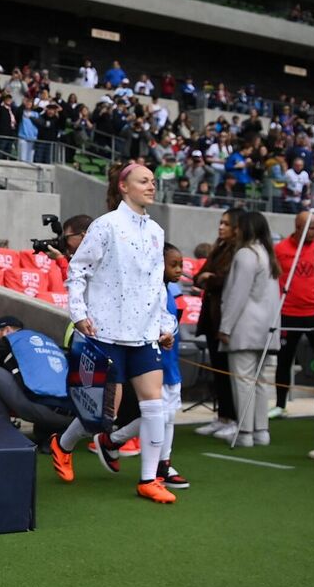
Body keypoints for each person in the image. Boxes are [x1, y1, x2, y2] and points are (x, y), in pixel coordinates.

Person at [49, 162, 179, 504]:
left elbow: (156, 286)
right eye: (143, 181)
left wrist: (165, 325)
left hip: (144, 335)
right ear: (124, 186)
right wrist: (78, 315)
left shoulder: (156, 232)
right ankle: (62, 445)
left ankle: (149, 479)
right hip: (105, 333)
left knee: (156, 407)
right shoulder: (105, 226)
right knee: (102, 415)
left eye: (153, 181)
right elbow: (77, 272)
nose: (151, 186)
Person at [91, 243, 190, 487]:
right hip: (154, 362)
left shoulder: (168, 291)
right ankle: (152, 461)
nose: (179, 270)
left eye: (181, 265)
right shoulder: (148, 291)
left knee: (167, 416)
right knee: (159, 414)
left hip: (170, 361)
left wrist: (168, 332)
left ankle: (123, 445)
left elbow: (170, 324)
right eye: (173, 264)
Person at [218, 212, 282, 447]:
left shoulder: (246, 254)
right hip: (267, 328)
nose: (234, 230)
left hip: (245, 328)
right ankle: (261, 431)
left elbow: (237, 295)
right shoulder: (268, 254)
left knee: (244, 381)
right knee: (260, 381)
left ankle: (245, 432)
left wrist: (225, 326)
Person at [0, 316, 74, 451]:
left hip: (43, 410)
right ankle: (51, 437)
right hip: (71, 416)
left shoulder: (14, 339)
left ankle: (2, 435)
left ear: (7, 330)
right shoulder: (50, 343)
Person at [193, 208, 244, 439]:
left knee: (228, 371)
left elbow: (226, 281)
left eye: (226, 223)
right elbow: (199, 276)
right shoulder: (219, 247)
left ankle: (234, 417)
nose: (221, 227)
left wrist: (210, 278)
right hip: (212, 317)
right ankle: (222, 417)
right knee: (217, 370)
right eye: (220, 222)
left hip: (227, 318)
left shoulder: (240, 251)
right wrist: (208, 278)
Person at [270, 211, 314, 419]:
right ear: (298, 227)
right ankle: (281, 404)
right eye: (311, 228)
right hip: (288, 312)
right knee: (284, 360)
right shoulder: (280, 249)